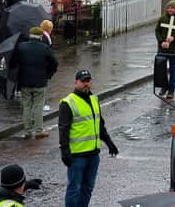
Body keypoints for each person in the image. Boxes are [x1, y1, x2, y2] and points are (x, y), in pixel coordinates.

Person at [59, 70, 118, 207]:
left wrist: (109, 142)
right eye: (83, 81)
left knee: (88, 188)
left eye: (88, 81)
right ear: (76, 82)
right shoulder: (68, 103)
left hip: (93, 155)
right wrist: (64, 150)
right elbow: (63, 129)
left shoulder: (94, 99)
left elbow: (99, 125)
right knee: (74, 189)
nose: (86, 84)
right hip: (77, 156)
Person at [14, 27, 58, 140]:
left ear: (30, 35)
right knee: (38, 107)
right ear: (41, 37)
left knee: (27, 106)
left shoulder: (21, 46)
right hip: (40, 82)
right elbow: (54, 63)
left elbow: (14, 63)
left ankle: (28, 131)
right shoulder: (45, 48)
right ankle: (39, 130)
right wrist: (49, 74)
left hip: (24, 82)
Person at [155, 1, 175, 100]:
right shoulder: (162, 18)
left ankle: (171, 90)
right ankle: (164, 87)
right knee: (161, 68)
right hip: (163, 48)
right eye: (168, 7)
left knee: (173, 69)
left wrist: (174, 38)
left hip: (174, 49)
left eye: (172, 8)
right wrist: (161, 41)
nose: (170, 9)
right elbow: (157, 31)